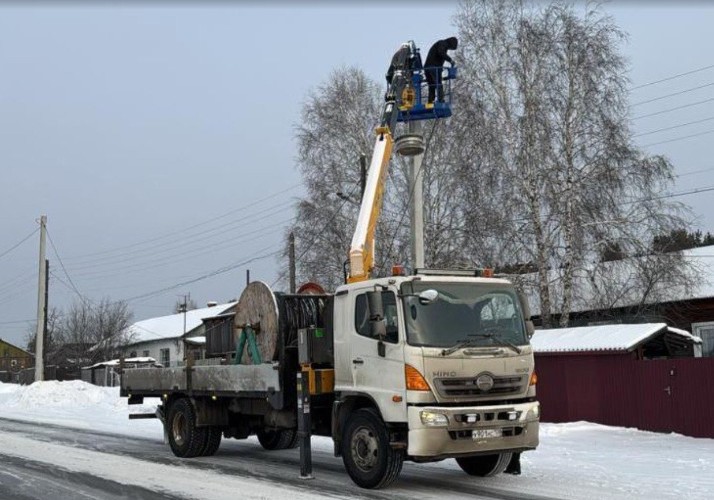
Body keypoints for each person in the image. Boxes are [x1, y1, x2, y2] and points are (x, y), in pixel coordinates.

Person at [424, 36, 458, 104]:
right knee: (438, 83)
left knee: (432, 85)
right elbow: (441, 53)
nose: (450, 49)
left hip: (427, 67)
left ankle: (430, 101)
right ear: (451, 43)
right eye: (452, 47)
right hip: (433, 67)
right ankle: (440, 100)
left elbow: (439, 55)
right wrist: (450, 60)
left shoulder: (441, 44)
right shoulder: (443, 43)